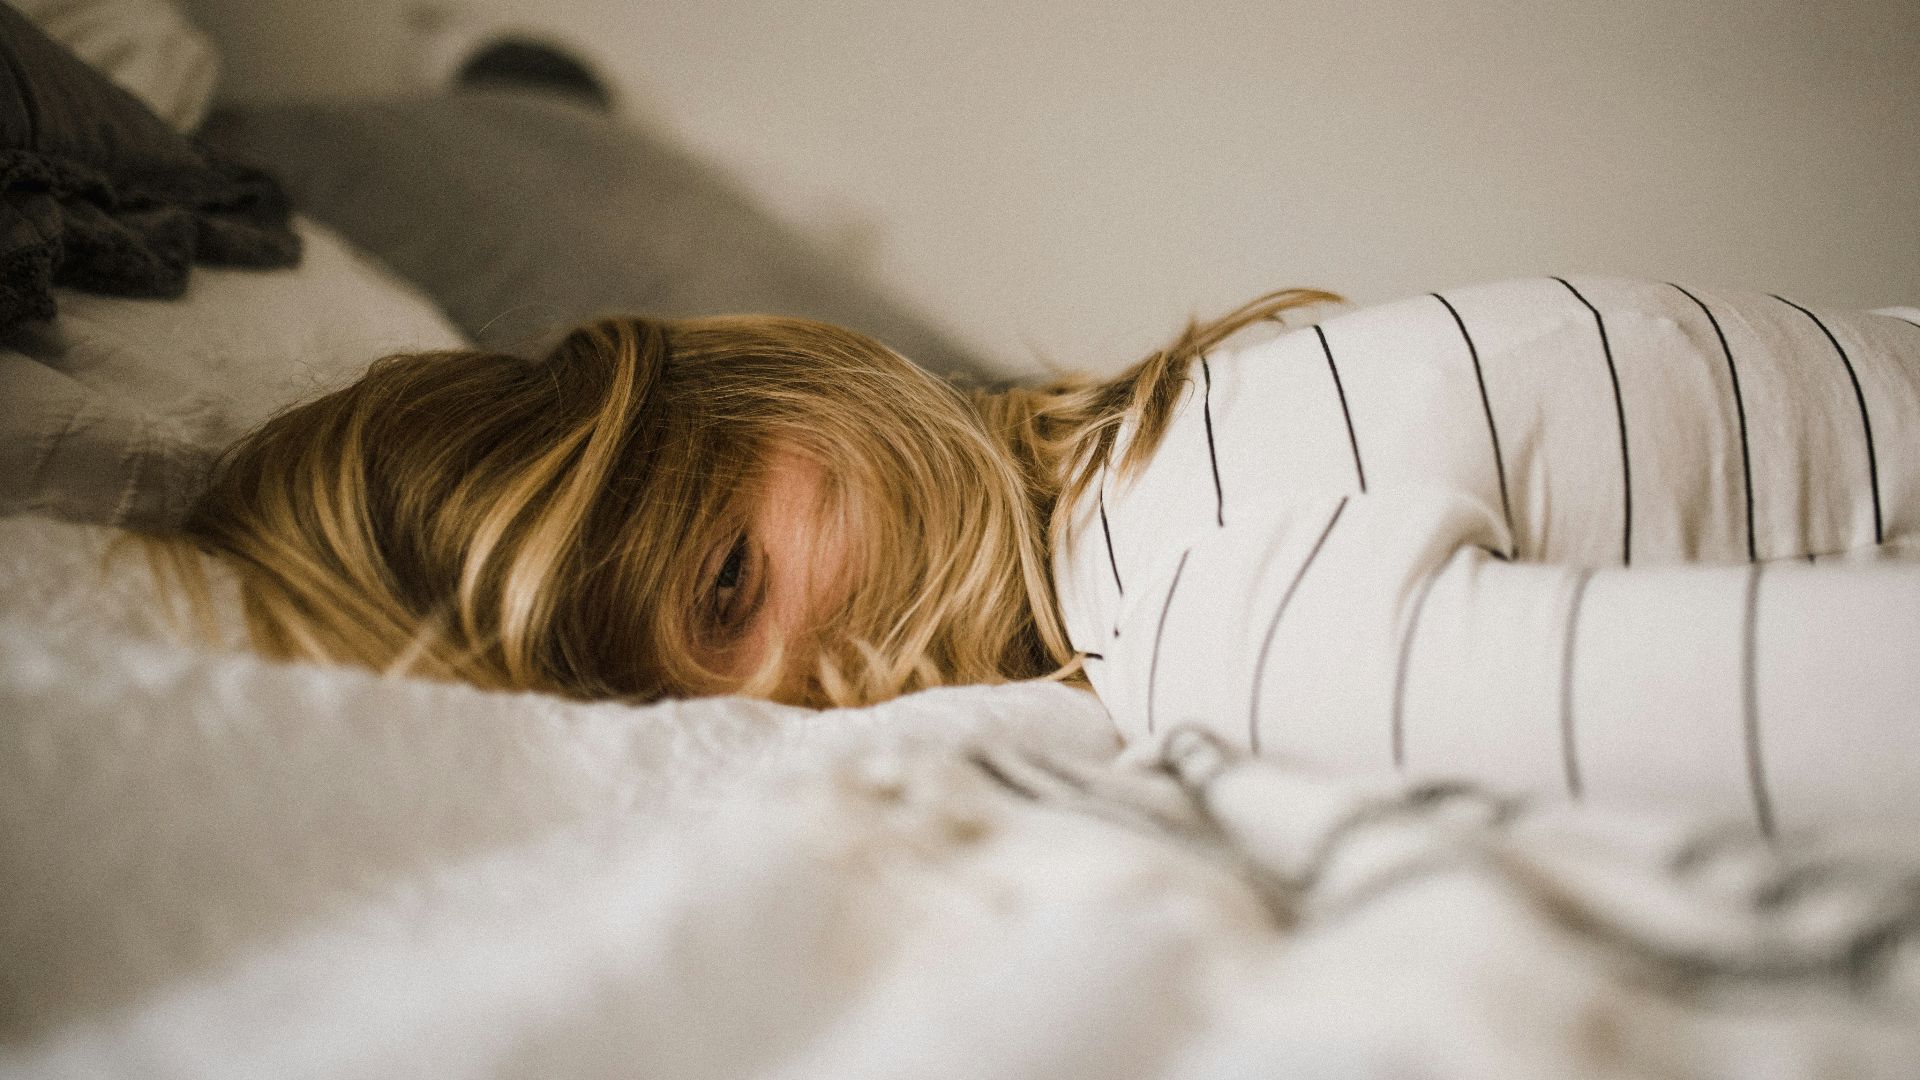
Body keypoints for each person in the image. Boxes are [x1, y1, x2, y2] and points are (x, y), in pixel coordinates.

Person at [146, 279, 1920, 823]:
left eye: (726, 589)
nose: (798, 707)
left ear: (785, 381)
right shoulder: (1170, 458)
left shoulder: (1215, 609)